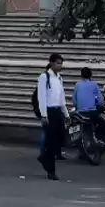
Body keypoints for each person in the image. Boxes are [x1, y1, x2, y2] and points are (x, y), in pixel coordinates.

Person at [36, 52, 69, 180]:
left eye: (61, 63)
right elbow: (42, 97)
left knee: (59, 140)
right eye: (57, 63)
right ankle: (51, 170)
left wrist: (66, 114)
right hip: (49, 111)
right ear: (51, 63)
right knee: (51, 140)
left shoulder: (59, 78)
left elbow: (62, 98)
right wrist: (44, 115)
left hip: (57, 111)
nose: (59, 66)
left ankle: (44, 157)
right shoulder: (45, 77)